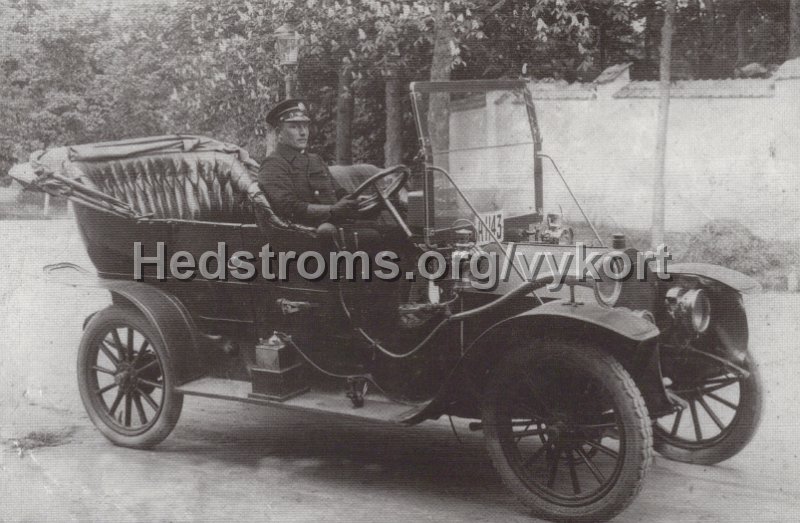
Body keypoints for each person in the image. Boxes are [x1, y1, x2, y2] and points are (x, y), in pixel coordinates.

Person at [258, 99, 360, 227]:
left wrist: (355, 200)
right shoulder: (273, 165)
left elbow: (339, 192)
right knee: (375, 236)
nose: (303, 132)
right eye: (294, 126)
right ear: (279, 133)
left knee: (388, 230)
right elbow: (288, 207)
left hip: (335, 227)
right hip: (305, 234)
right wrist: (332, 210)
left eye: (305, 126)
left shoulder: (315, 160)